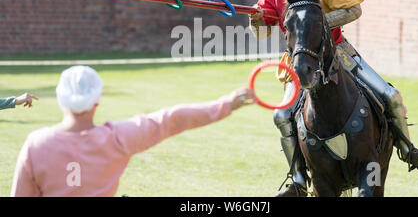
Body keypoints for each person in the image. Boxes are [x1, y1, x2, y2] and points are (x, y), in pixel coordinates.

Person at [249, 0, 418, 197]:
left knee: (391, 96)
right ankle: (299, 178)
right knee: (281, 116)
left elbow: (354, 9)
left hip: (340, 53)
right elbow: (260, 32)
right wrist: (255, 19)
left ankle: (407, 149)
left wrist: (320, 21)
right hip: (300, 63)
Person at [11, 65, 255, 197]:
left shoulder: (36, 144)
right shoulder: (117, 139)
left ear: (61, 99)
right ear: (96, 102)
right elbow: (170, 120)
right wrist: (226, 104)